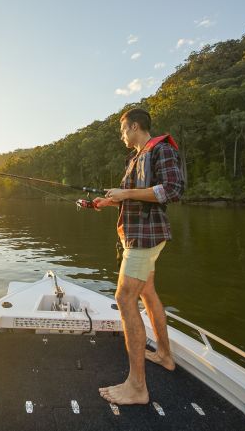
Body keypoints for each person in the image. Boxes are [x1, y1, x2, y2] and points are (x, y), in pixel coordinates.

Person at [94, 107, 184, 405]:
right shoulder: (135, 157)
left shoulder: (161, 150)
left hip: (145, 238)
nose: (122, 135)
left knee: (124, 299)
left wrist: (126, 194)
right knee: (147, 292)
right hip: (140, 235)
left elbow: (172, 189)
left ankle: (137, 387)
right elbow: (131, 196)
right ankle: (165, 355)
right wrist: (106, 202)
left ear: (134, 126)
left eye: (123, 129)